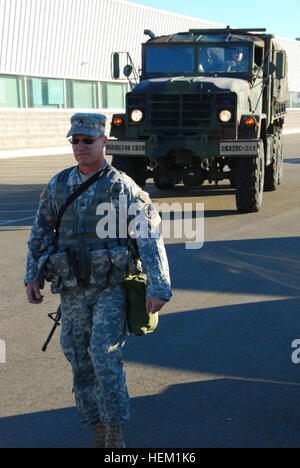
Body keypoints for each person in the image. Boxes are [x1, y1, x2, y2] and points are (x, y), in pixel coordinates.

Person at [25, 113, 172, 448]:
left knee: (103, 355)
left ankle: (115, 430)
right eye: (74, 141)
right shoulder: (59, 184)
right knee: (78, 358)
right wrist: (31, 275)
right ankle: (96, 429)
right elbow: (39, 232)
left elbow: (148, 236)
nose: (80, 147)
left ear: (103, 142)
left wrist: (158, 285)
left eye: (87, 141)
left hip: (109, 288)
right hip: (72, 290)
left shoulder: (120, 186)